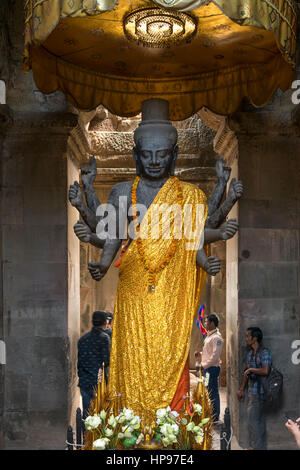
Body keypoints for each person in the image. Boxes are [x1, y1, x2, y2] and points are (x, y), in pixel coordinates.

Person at [69, 99, 240, 424]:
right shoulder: (122, 192)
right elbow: (114, 237)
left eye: (162, 155)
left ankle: (170, 423)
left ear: (174, 156)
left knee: (169, 354)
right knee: (132, 355)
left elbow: (194, 236)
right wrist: (101, 262)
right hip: (135, 284)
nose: (154, 161)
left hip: (171, 287)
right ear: (135, 156)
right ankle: (129, 421)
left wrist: (218, 229)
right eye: (146, 155)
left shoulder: (189, 195)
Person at [237, 327, 272, 450]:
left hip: (261, 393)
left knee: (254, 422)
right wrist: (242, 389)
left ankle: (256, 447)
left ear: (255, 338)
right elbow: (246, 373)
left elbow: (266, 370)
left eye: (248, 336)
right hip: (252, 392)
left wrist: (251, 369)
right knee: (257, 423)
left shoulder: (265, 352)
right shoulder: (250, 354)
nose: (246, 338)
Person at [77, 310, 111, 429]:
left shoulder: (82, 339)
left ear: (92, 321)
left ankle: (86, 442)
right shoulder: (104, 338)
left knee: (87, 415)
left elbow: (79, 363)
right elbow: (106, 361)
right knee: (100, 416)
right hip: (99, 382)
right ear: (106, 322)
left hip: (85, 382)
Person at [197, 314, 223, 423]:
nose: (205, 324)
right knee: (209, 390)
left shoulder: (217, 337)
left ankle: (215, 417)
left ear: (212, 323)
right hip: (208, 369)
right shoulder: (210, 336)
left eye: (206, 322)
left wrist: (204, 365)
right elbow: (209, 353)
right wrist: (200, 354)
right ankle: (211, 413)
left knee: (213, 391)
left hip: (212, 369)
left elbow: (215, 356)